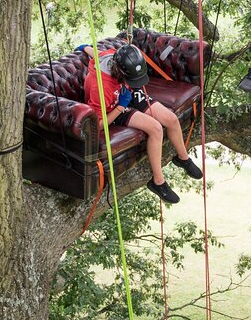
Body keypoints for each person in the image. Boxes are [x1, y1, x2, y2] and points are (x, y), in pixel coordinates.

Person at [77, 43, 202, 204]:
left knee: (171, 119)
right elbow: (99, 125)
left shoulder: (116, 56)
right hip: (114, 107)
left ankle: (183, 158)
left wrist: (84, 48)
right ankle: (158, 182)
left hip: (127, 91)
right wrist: (122, 106)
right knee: (156, 129)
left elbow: (98, 53)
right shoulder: (99, 86)